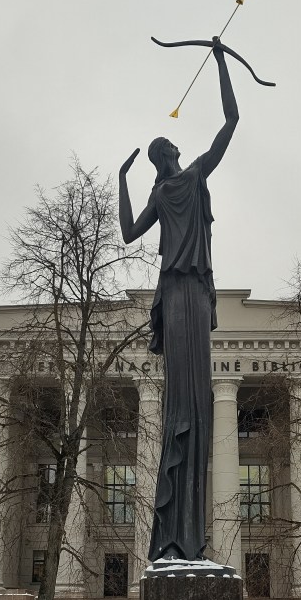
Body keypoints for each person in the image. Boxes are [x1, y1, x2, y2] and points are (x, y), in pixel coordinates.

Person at [119, 38, 238, 562]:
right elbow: (127, 233)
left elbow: (230, 124)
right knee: (180, 404)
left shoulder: (190, 178)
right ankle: (174, 537)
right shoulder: (167, 190)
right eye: (162, 154)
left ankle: (185, 535)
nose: (168, 157)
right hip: (177, 292)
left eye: (164, 152)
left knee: (196, 401)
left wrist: (220, 61)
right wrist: (121, 180)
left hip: (190, 291)